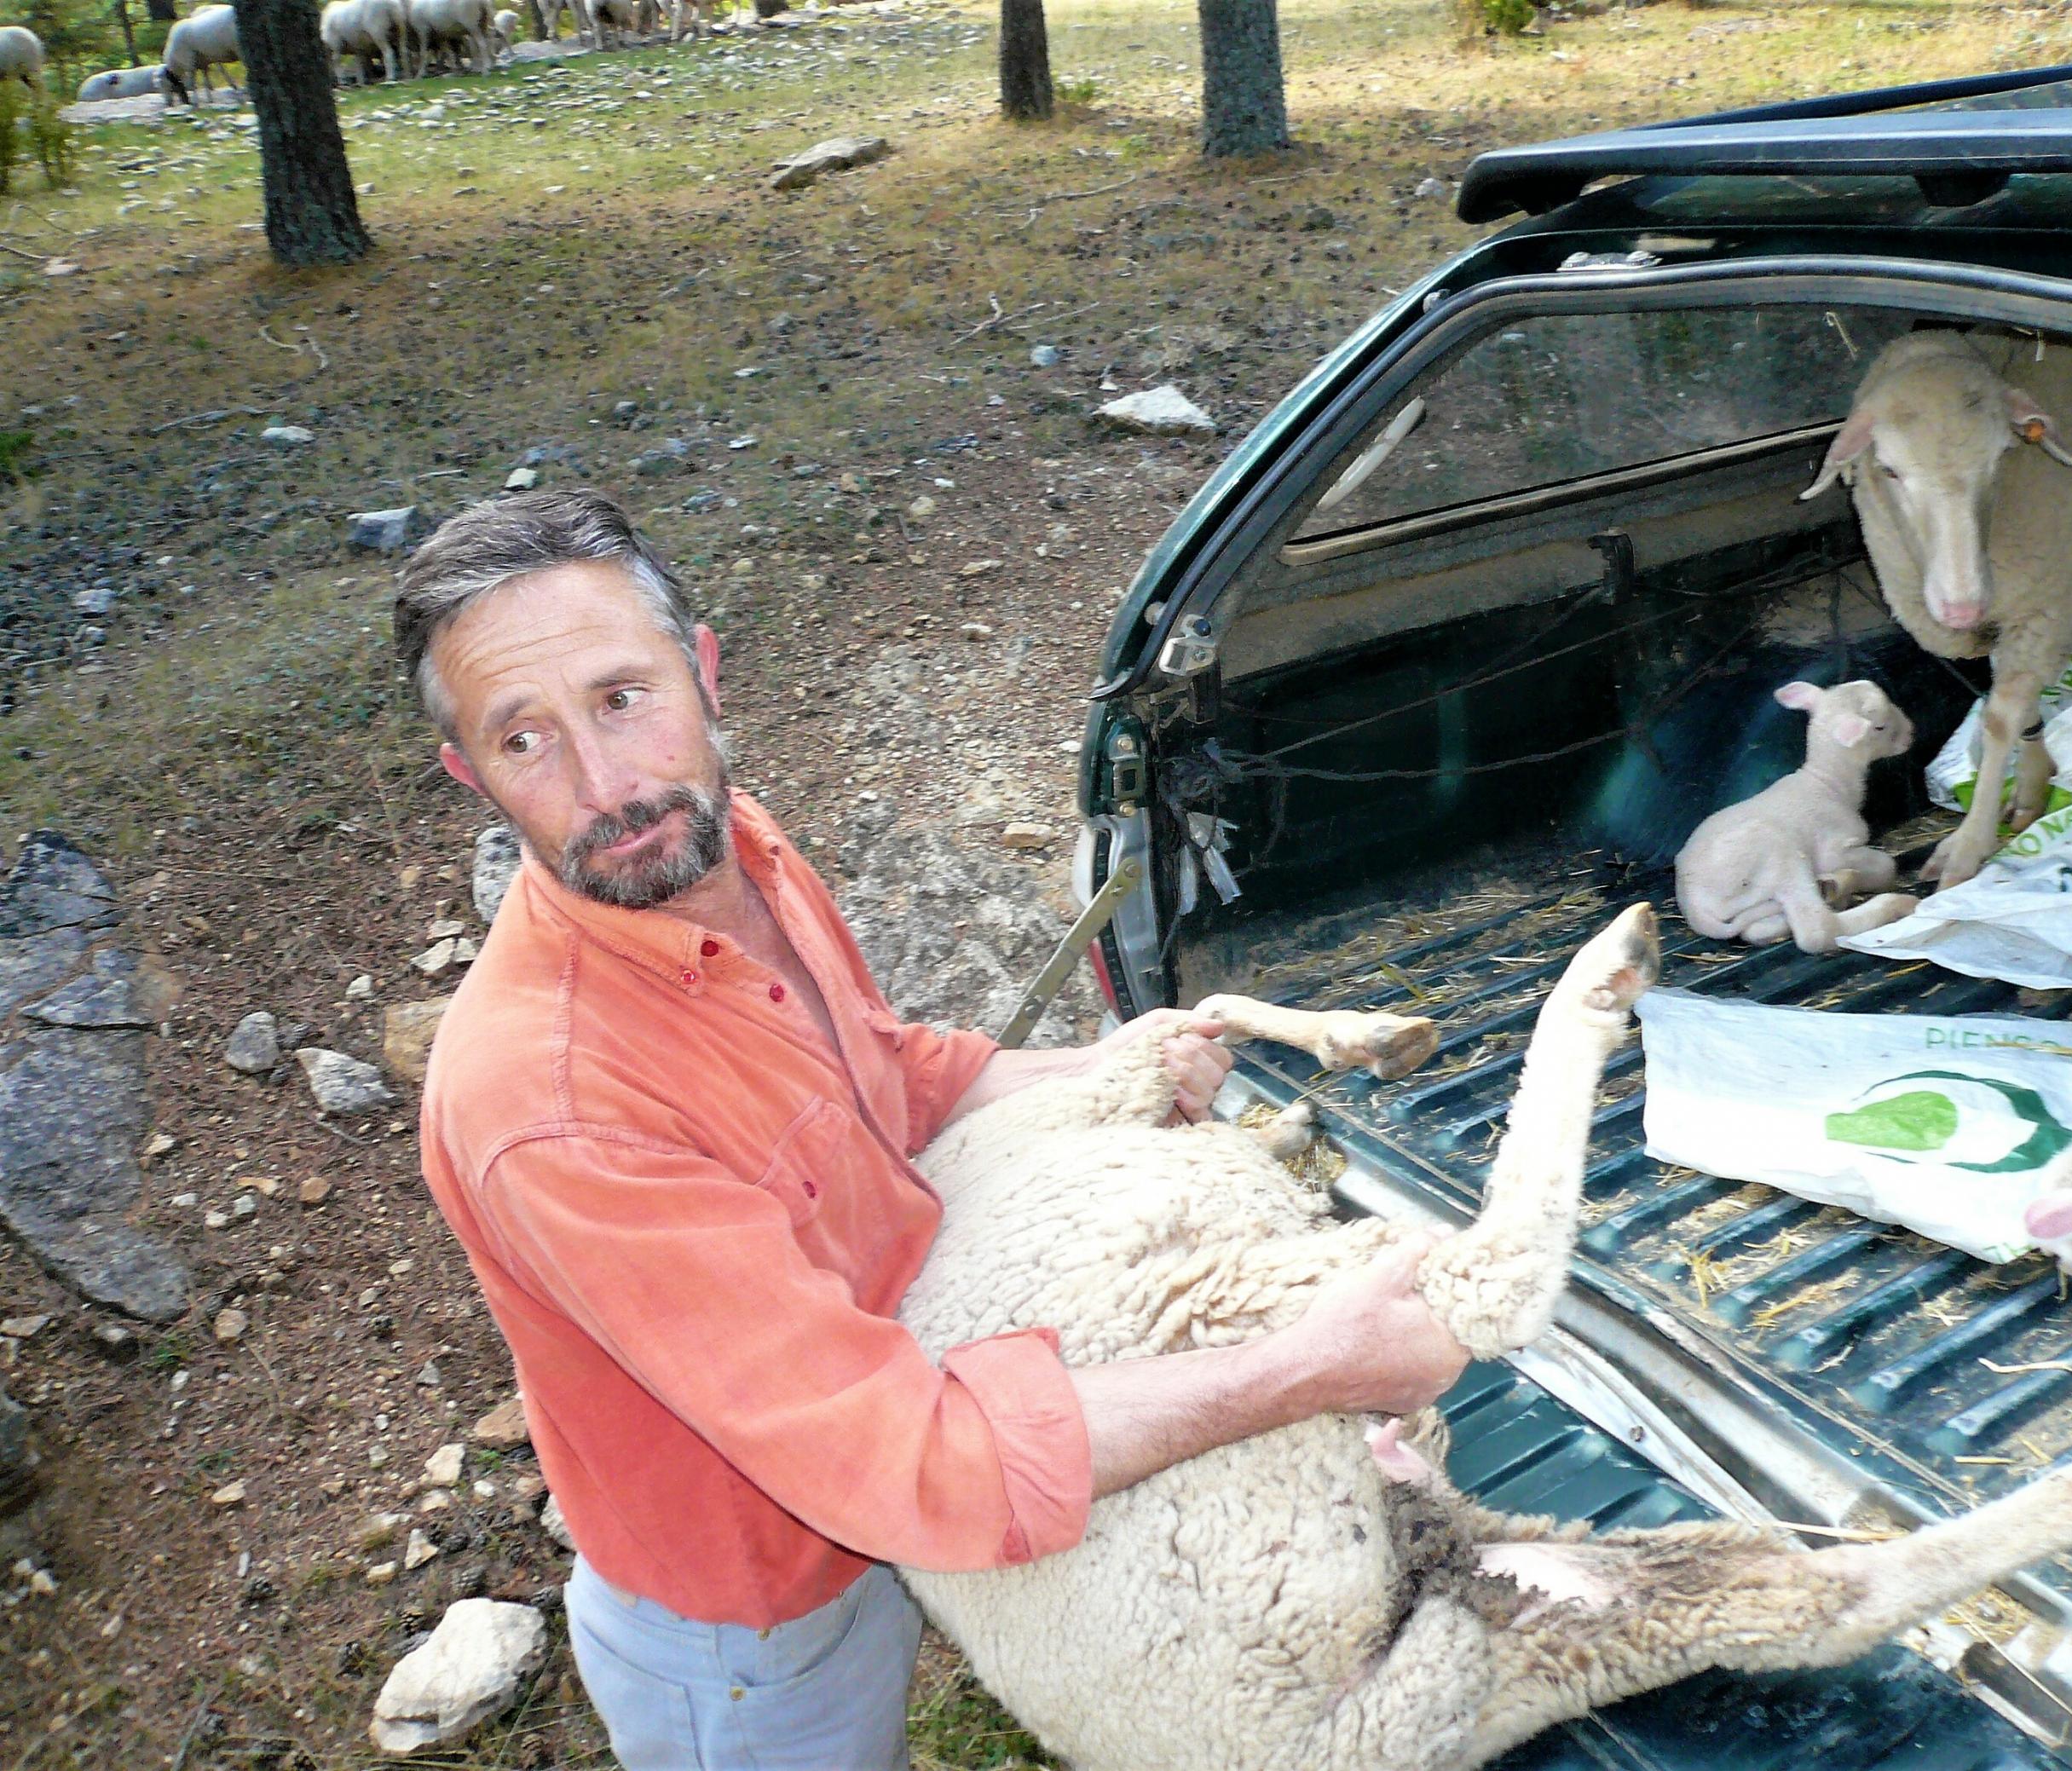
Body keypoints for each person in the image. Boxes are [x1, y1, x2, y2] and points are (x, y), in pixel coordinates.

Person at [392, 490, 1471, 1771]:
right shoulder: (554, 1106)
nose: (606, 784)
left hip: (886, 1497)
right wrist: (1309, 1366)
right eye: (526, 739)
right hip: (757, 1631)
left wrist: (1094, 1063)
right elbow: (898, 1455)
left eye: (623, 696)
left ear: (705, 668)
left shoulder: (729, 844)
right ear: (470, 772)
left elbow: (878, 1071)